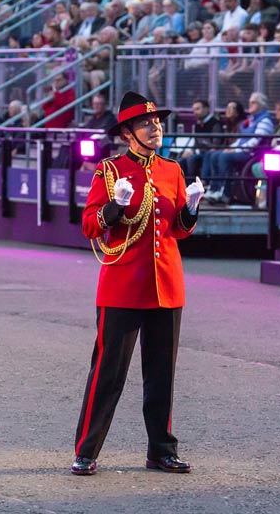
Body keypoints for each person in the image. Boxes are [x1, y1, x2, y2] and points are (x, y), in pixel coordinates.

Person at [73, 91, 204, 476]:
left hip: (165, 286)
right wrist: (115, 208)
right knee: (108, 373)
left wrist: (191, 210)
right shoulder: (109, 171)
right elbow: (89, 225)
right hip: (124, 285)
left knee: (162, 374)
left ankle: (161, 450)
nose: (156, 127)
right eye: (147, 123)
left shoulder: (172, 170)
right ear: (128, 133)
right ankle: (87, 449)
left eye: (158, 122)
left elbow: (177, 231)